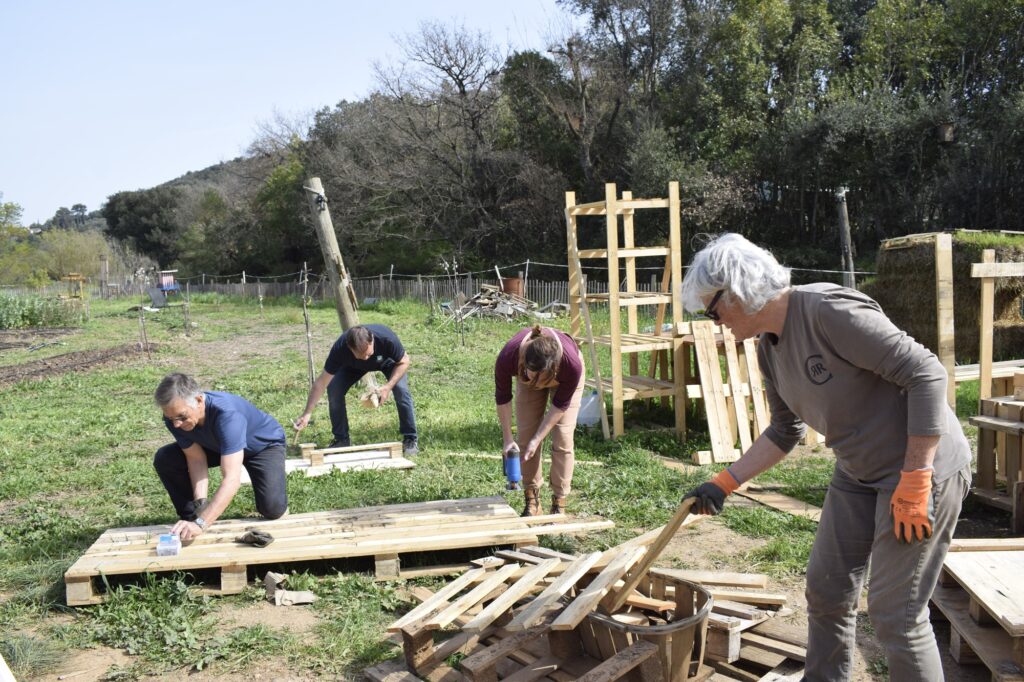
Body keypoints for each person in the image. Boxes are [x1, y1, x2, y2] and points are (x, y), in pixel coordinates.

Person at [680, 233, 971, 682]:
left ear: (735, 290)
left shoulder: (828, 312)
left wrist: (916, 475)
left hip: (921, 470)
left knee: (897, 614)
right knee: (827, 591)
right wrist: (723, 483)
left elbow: (926, 373)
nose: (712, 320)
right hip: (857, 471)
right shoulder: (767, 348)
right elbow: (784, 431)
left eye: (712, 309)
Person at [153, 373, 288, 541]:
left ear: (199, 400)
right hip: (218, 445)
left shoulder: (227, 415)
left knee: (272, 509)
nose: (176, 424)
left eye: (182, 416)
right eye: (170, 418)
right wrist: (200, 506)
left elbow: (231, 479)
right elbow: (196, 459)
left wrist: (202, 524)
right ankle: (189, 518)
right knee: (166, 458)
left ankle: (198, 523)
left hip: (261, 447)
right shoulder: (174, 416)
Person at [495, 325, 586, 516]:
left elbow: (560, 405)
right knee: (525, 437)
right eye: (531, 373)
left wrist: (539, 439)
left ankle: (559, 502)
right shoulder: (508, 357)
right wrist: (507, 439)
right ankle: (532, 499)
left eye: (540, 376)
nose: (536, 380)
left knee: (562, 437)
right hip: (531, 371)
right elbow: (503, 398)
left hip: (563, 380)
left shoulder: (571, 365)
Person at [293, 324, 418, 456]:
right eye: (360, 355)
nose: (365, 358)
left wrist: (388, 387)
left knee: (401, 390)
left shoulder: (386, 339)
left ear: (372, 340)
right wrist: (307, 414)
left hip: (387, 362)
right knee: (334, 389)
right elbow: (320, 383)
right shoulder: (340, 349)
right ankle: (341, 439)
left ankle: (410, 438)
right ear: (349, 347)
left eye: (368, 353)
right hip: (353, 367)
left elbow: (405, 361)